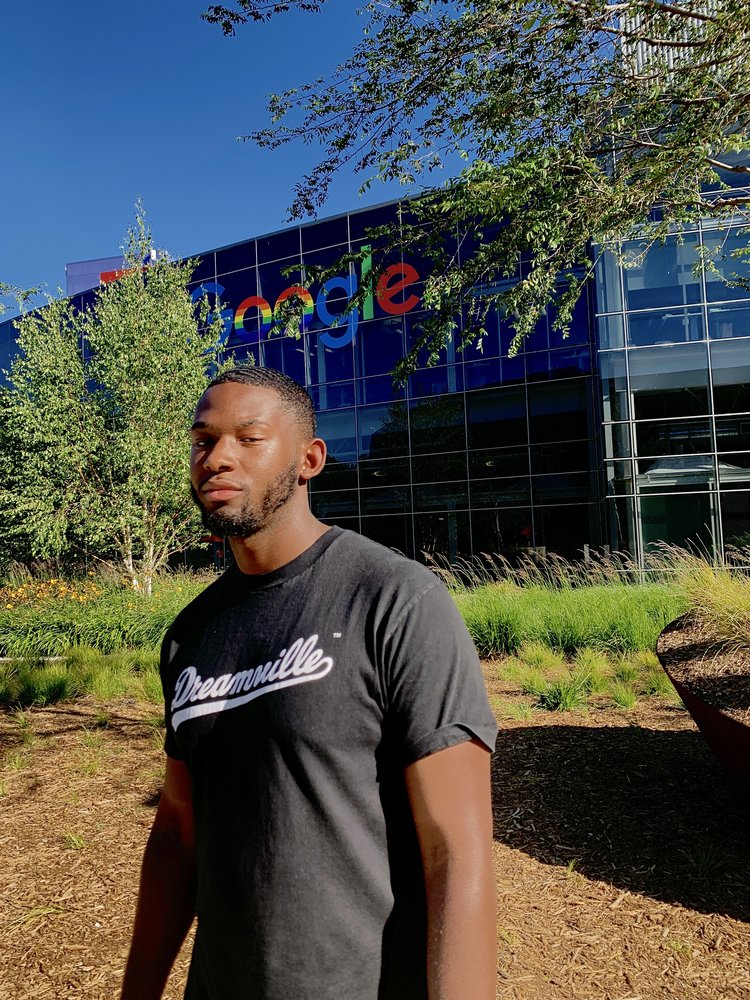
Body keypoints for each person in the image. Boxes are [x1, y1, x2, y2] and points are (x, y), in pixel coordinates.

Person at [120, 366, 498, 1000]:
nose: (216, 458)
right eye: (203, 440)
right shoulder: (191, 634)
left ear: (308, 459)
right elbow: (178, 833)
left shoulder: (394, 601)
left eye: (248, 437)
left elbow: (455, 853)